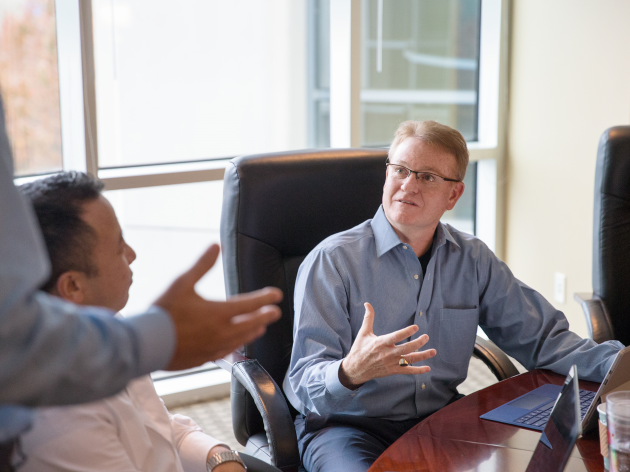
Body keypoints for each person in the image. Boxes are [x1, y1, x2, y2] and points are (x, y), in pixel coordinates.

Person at [285, 120, 625, 472]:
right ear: (387, 175)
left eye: (427, 177)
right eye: (400, 170)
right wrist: (350, 371)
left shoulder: (472, 259)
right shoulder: (332, 261)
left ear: (453, 195)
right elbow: (305, 382)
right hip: (346, 427)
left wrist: (620, 364)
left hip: (439, 420)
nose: (408, 185)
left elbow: (544, 339)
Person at [0, 95, 281, 469]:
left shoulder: (109, 327)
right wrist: (164, 333)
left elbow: (163, 428)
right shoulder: (61, 419)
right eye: (119, 247)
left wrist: (219, 457)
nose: (132, 255)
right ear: (73, 287)